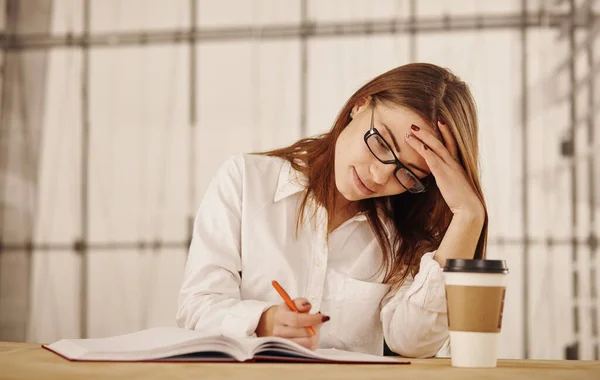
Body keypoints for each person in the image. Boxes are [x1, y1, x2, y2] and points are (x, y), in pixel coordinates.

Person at [176, 62, 487, 358]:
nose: (380, 175)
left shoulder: (405, 234)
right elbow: (196, 305)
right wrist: (263, 321)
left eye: (407, 173)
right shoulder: (246, 181)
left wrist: (467, 217)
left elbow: (413, 343)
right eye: (380, 143)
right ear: (360, 105)